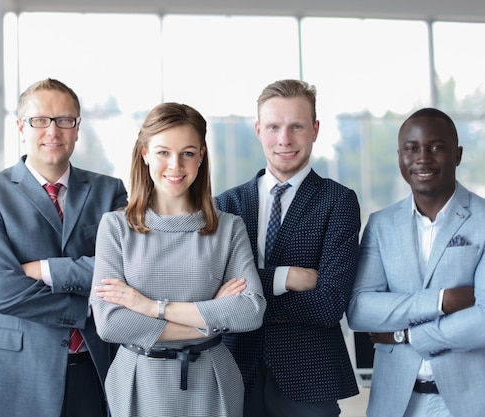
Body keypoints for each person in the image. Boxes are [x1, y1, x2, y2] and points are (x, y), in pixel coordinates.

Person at [90, 102, 266, 417]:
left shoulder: (228, 228)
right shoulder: (115, 227)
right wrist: (209, 321)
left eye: (187, 152)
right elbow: (110, 323)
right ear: (144, 153)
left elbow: (250, 312)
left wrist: (151, 308)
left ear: (201, 156)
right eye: (163, 152)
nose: (175, 165)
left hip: (212, 381)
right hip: (138, 380)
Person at [0, 78, 127, 417]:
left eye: (64, 120)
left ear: (77, 128)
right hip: (17, 372)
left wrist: (44, 270)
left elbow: (126, 269)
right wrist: (84, 307)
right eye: (40, 120)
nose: (53, 131)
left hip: (97, 366)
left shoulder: (109, 191)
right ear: (21, 127)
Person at [215, 79, 361, 417]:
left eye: (296, 126)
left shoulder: (338, 201)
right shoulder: (226, 204)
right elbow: (212, 290)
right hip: (235, 370)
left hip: (309, 376)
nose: (284, 139)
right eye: (274, 127)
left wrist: (246, 299)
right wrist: (286, 277)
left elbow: (329, 303)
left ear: (315, 130)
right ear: (258, 130)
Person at [347, 107, 485, 417]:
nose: (422, 157)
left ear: (458, 154)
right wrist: (442, 300)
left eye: (436, 147)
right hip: (396, 404)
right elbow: (359, 310)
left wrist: (405, 335)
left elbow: (483, 320)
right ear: (400, 156)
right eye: (411, 148)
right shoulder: (381, 224)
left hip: (469, 403)